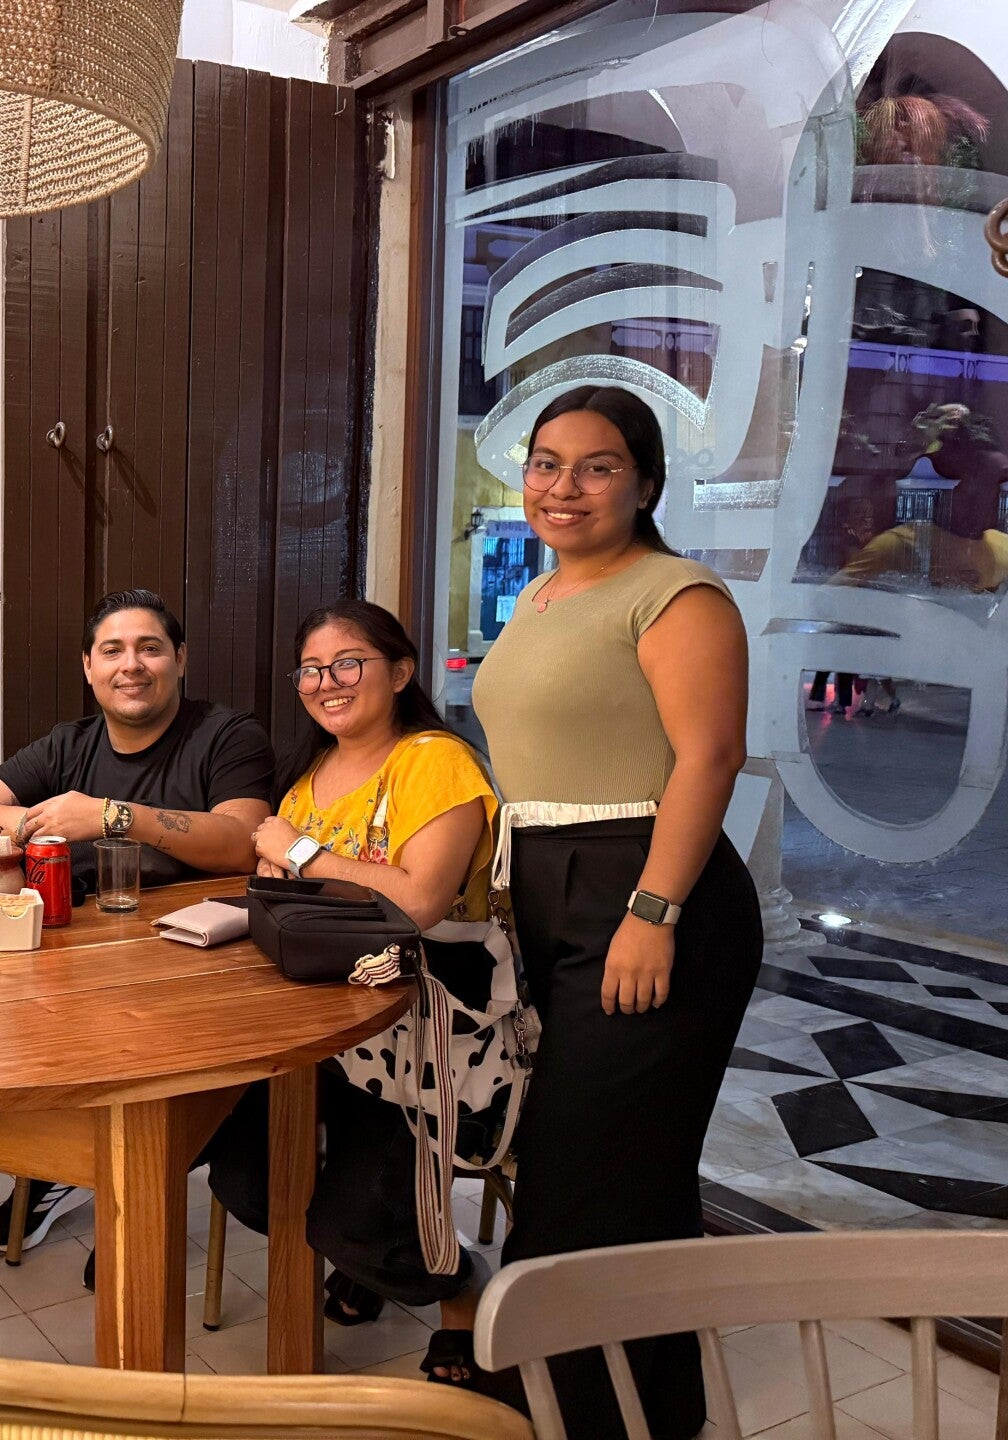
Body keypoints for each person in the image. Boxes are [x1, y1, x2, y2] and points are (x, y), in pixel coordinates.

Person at [472, 385, 760, 1438]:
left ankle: (576, 1410)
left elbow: (709, 757)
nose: (564, 486)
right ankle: (621, 1402)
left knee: (592, 1171)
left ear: (644, 484)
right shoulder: (542, 596)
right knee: (614, 1165)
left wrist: (652, 911)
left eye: (597, 467)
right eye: (546, 463)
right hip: (554, 894)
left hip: (644, 893)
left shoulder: (677, 594)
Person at [196, 599, 499, 1385]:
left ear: (399, 672)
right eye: (310, 669)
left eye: (347, 663)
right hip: (326, 1021)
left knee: (355, 1220)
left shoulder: (434, 762)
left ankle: (463, 1292)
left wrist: (298, 853)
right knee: (245, 1178)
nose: (326, 682)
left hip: (431, 1025)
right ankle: (368, 1261)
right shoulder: (307, 777)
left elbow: (419, 902)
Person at [0, 588, 275, 1268]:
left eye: (150, 648)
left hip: (193, 978)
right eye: (113, 650)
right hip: (76, 966)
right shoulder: (70, 743)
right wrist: (32, 822)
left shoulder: (227, 735)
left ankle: (134, 1195)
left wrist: (111, 815)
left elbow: (242, 842)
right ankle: (71, 1165)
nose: (132, 665)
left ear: (180, 659)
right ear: (88, 667)